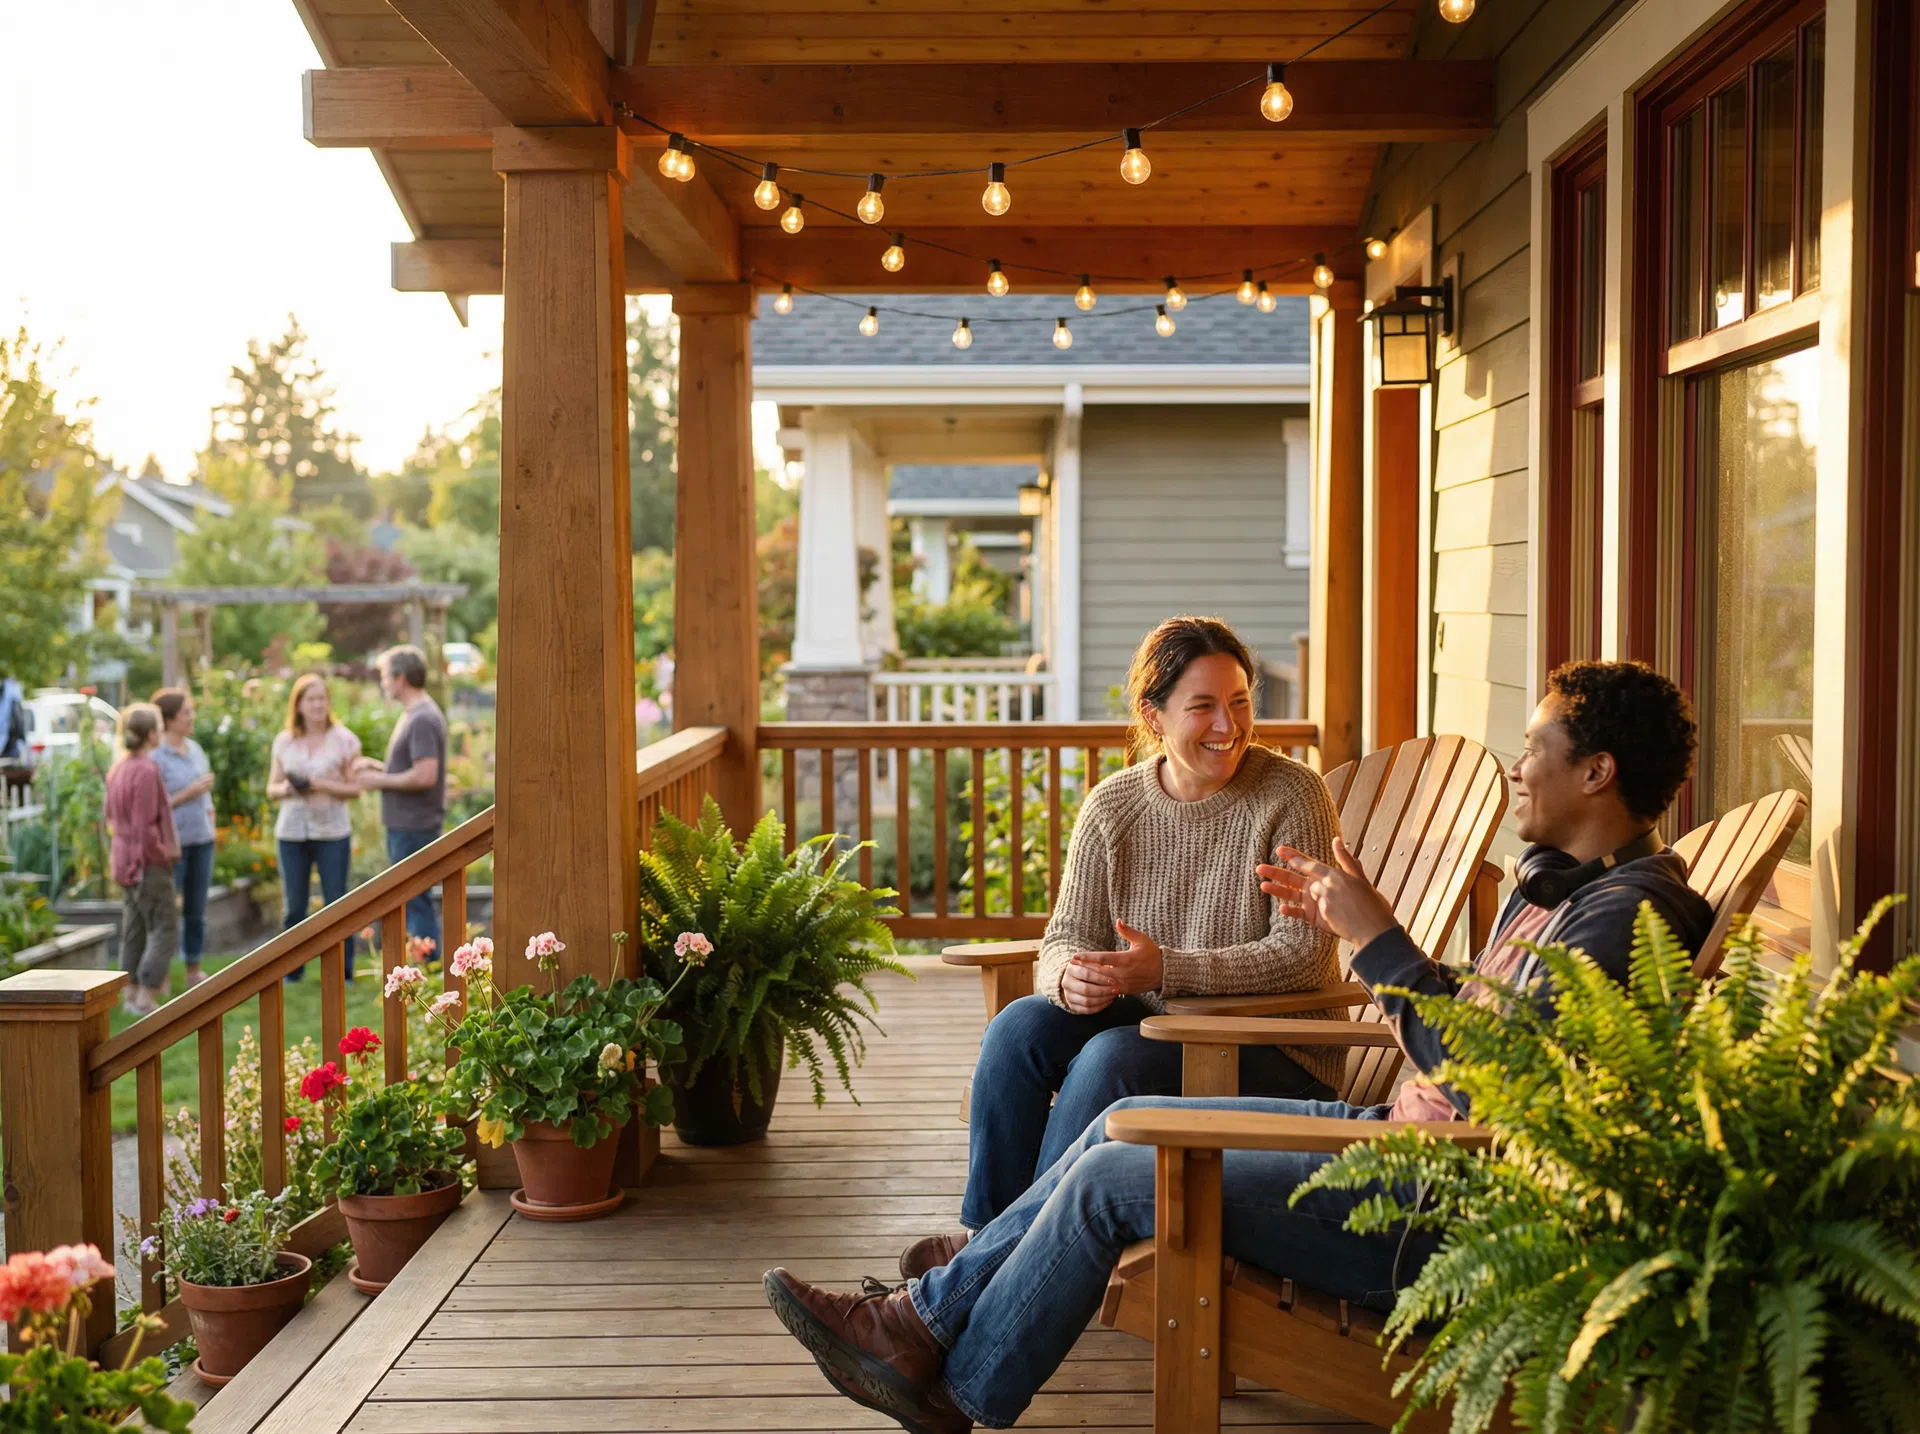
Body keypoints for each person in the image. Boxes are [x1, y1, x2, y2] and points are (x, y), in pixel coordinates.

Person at [763, 660, 1717, 1433]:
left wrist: (1374, 939)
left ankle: (949, 1377)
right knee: (1123, 1125)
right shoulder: (1565, 890)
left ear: (1595, 773)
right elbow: (1475, 1032)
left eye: (1534, 749)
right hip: (1389, 1137)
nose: (1518, 766)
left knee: (1108, 1172)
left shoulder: (1629, 919)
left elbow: (1496, 1081)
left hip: (1439, 1202)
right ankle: (922, 1325)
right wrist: (1384, 941)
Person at [907, 616, 1342, 1283]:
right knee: (1019, 1027)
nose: (1228, 726)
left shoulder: (1290, 795)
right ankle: (988, 1236)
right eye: (1203, 707)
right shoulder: (1114, 806)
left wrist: (1166, 967)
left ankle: (994, 1272)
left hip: (1270, 1047)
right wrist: (1069, 978)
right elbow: (1064, 940)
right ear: (1153, 714)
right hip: (1157, 1025)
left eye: (1240, 702)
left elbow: (1301, 956)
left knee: (1110, 1058)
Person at [354, 645, 447, 961]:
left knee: (415, 900)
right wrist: (380, 768)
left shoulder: (421, 718)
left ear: (401, 678)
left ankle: (431, 973)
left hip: (413, 826)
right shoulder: (417, 715)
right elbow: (414, 769)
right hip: (409, 824)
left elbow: (425, 776)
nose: (382, 683)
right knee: (415, 900)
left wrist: (378, 780)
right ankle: (429, 973)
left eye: (384, 676)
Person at [269, 673, 362, 980]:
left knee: (337, 901)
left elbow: (355, 788)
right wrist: (288, 789)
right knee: (294, 906)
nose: (318, 704)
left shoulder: (345, 740)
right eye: (311, 699)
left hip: (332, 832)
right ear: (298, 705)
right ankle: (292, 972)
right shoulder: (284, 741)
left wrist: (319, 784)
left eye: (322, 698)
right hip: (292, 833)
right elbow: (272, 788)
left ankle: (342, 971)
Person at [104, 704, 181, 1015]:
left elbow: (111, 819)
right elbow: (145, 828)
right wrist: (163, 854)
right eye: (160, 727)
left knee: (134, 928)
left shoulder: (118, 768)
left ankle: (130, 996)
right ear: (151, 735)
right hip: (145, 862)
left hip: (123, 861)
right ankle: (147, 995)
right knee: (166, 928)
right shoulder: (146, 771)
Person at [151, 688, 215, 988]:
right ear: (169, 719)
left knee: (196, 909)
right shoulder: (156, 757)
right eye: (186, 712)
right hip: (172, 843)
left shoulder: (197, 749)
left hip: (202, 839)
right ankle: (159, 972)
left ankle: (193, 968)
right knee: (165, 911)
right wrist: (190, 793)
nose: (192, 717)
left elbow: (206, 794)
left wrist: (210, 810)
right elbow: (155, 804)